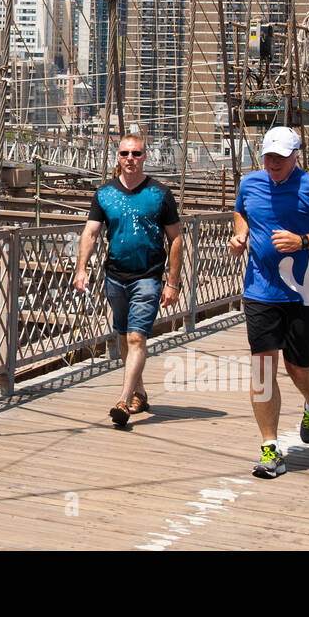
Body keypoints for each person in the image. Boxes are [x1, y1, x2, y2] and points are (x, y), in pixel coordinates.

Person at [228, 127, 309, 479]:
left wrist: (303, 240)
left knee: (299, 368)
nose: (274, 163)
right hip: (259, 292)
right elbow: (241, 211)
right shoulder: (250, 184)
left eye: (281, 156)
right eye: (268, 156)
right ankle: (270, 449)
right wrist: (240, 234)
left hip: (302, 295)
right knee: (263, 371)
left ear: (297, 155)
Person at [74, 131, 183, 427]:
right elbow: (91, 232)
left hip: (148, 276)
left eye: (136, 154)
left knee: (137, 336)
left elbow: (175, 239)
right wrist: (81, 269)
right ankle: (140, 391)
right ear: (118, 157)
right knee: (123, 335)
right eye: (125, 154)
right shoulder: (104, 193)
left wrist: (172, 282)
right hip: (116, 275)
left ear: (145, 156)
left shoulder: (160, 194)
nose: (130, 159)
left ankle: (122, 400)